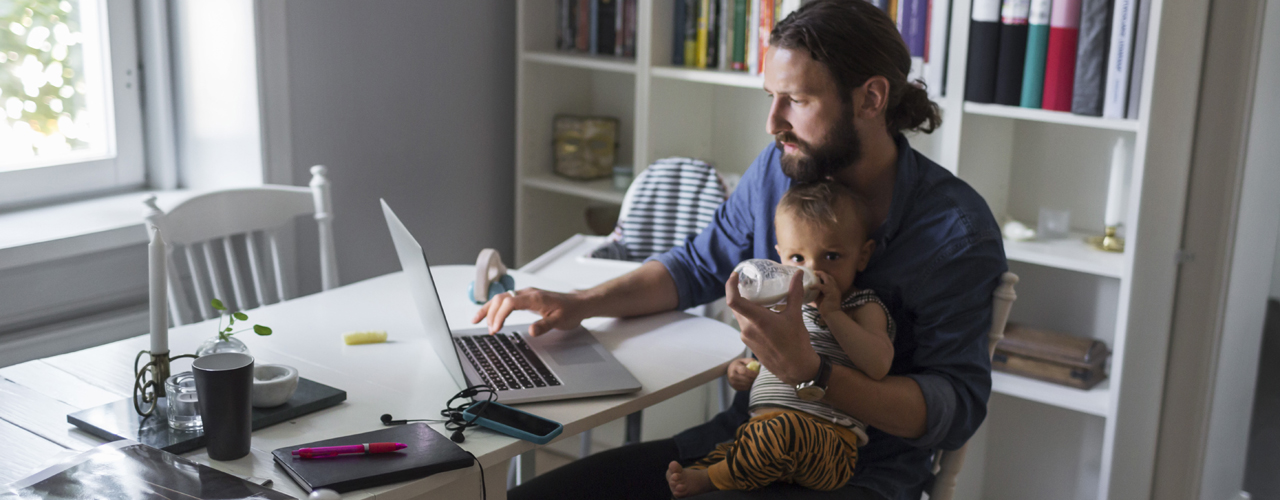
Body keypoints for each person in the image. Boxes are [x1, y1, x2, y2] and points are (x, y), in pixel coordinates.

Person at [475, 1, 1006, 498]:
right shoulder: (779, 171)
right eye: (770, 98)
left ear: (871, 98)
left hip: (854, 475)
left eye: (796, 101)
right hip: (738, 445)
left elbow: (952, 410)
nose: (773, 123)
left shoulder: (955, 233)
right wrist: (582, 303)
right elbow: (697, 265)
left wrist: (815, 374)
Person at [666, 181, 895, 498]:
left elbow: (879, 364)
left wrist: (832, 313)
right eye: (798, 259)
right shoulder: (778, 306)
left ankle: (713, 477)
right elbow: (769, 361)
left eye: (832, 256)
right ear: (779, 259)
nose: (811, 272)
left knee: (779, 433)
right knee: (745, 443)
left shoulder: (861, 307)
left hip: (829, 444)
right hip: (762, 430)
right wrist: (744, 367)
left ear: (862, 255)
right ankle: (723, 468)